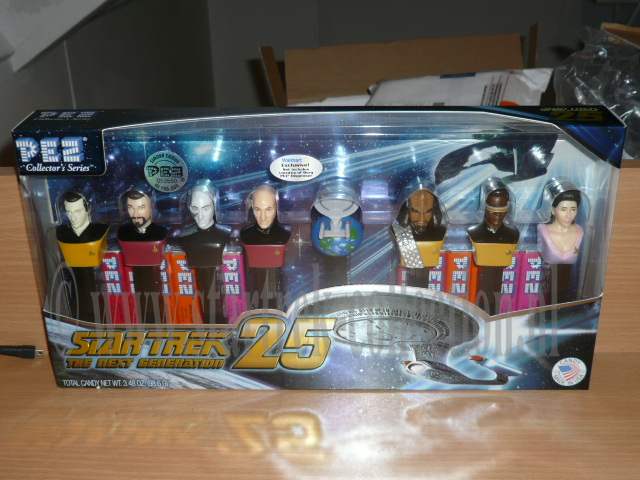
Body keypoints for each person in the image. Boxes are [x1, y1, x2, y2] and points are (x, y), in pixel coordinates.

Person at [175, 184, 230, 323]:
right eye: (195, 208)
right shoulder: (185, 236)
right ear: (189, 208)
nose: (200, 215)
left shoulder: (225, 234)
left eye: (206, 208)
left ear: (215, 206)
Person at [56, 191, 109, 322]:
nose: (73, 217)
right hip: (76, 298)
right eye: (69, 212)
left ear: (87, 209)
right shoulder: (62, 233)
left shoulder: (100, 230)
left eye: (77, 211)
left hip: (99, 294)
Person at [467, 183, 519, 315]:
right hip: (482, 287)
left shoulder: (513, 234)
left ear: (507, 209)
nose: (497, 216)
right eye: (493, 211)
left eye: (502, 211)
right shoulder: (474, 232)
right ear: (485, 208)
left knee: (494, 303)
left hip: (496, 286)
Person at [117, 189, 168, 323]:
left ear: (152, 207)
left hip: (155, 283)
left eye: (141, 207)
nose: (135, 214)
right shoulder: (124, 232)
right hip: (138, 282)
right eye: (131, 208)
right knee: (143, 307)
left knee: (156, 308)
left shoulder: (161, 232)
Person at [240, 185, 290, 309]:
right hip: (255, 296)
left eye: (268, 209)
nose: (263, 217)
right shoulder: (246, 235)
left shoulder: (284, 234)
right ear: (251, 207)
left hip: (278, 297)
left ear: (277, 207)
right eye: (257, 209)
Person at [391, 188, 446, 288]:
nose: (421, 219)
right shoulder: (400, 233)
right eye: (415, 212)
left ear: (434, 211)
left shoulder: (441, 231)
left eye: (428, 212)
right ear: (406, 209)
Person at [538, 189, 583, 303]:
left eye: (573, 209)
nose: (568, 215)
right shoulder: (542, 230)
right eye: (563, 209)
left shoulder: (580, 231)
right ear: (553, 210)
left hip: (569, 293)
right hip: (545, 290)